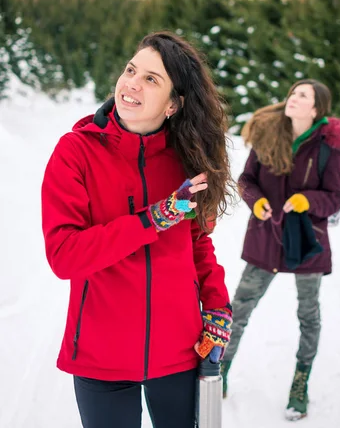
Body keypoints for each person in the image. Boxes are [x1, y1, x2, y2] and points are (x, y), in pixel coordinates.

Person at [41, 31, 234, 428]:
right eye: (132, 70)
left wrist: (216, 305)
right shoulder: (75, 152)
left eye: (151, 79)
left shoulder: (186, 160)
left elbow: (197, 245)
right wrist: (153, 218)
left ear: (173, 104)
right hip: (101, 354)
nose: (131, 83)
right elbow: (65, 255)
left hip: (178, 351)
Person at [221, 79, 340, 421]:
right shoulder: (269, 133)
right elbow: (246, 180)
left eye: (303, 95)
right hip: (266, 237)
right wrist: (257, 201)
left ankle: (300, 383)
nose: (293, 98)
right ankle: (221, 369)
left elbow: (334, 199)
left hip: (308, 243)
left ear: (316, 109)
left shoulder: (328, 147)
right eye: (293, 92)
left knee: (308, 315)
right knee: (240, 308)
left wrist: (306, 199)